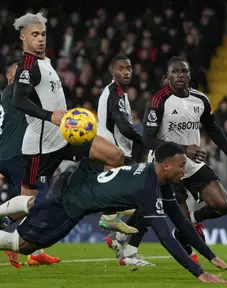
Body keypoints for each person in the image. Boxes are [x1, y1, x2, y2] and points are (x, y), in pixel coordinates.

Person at [0, 142, 227, 283]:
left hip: (73, 181)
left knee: (34, 204)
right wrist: (198, 273)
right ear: (165, 165)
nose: (184, 171)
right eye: (181, 166)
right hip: (69, 203)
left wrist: (211, 257)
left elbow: (181, 222)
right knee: (24, 246)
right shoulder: (147, 187)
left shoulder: (155, 176)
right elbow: (166, 236)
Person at [12, 12, 130, 264]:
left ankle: (108, 216)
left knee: (115, 156)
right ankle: (20, 243)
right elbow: (18, 100)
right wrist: (49, 116)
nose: (41, 39)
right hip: (40, 148)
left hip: (66, 136)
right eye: (34, 35)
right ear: (23, 37)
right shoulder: (27, 66)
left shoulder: (45, 61)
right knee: (28, 205)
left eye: (43, 34)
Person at [114, 56, 227, 265]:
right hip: (166, 166)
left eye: (184, 71)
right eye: (175, 72)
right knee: (154, 210)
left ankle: (187, 224)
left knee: (224, 204)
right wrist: (185, 149)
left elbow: (213, 128)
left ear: (189, 75)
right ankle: (131, 246)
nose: (180, 75)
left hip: (192, 164)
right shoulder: (159, 100)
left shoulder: (200, 99)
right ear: (167, 77)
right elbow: (148, 139)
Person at [96, 53, 147, 250]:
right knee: (150, 191)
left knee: (145, 199)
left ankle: (117, 237)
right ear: (112, 71)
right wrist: (147, 141)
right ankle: (112, 220)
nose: (126, 72)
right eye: (121, 68)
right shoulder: (112, 93)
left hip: (120, 153)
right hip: (113, 153)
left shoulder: (121, 94)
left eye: (129, 68)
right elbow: (124, 127)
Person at [0, 59, 28, 268]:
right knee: (32, 201)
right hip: (15, 154)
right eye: (18, 73)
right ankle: (13, 242)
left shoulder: (5, 97)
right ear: (9, 76)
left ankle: (6, 224)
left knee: (26, 202)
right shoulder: (14, 93)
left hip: (6, 154)